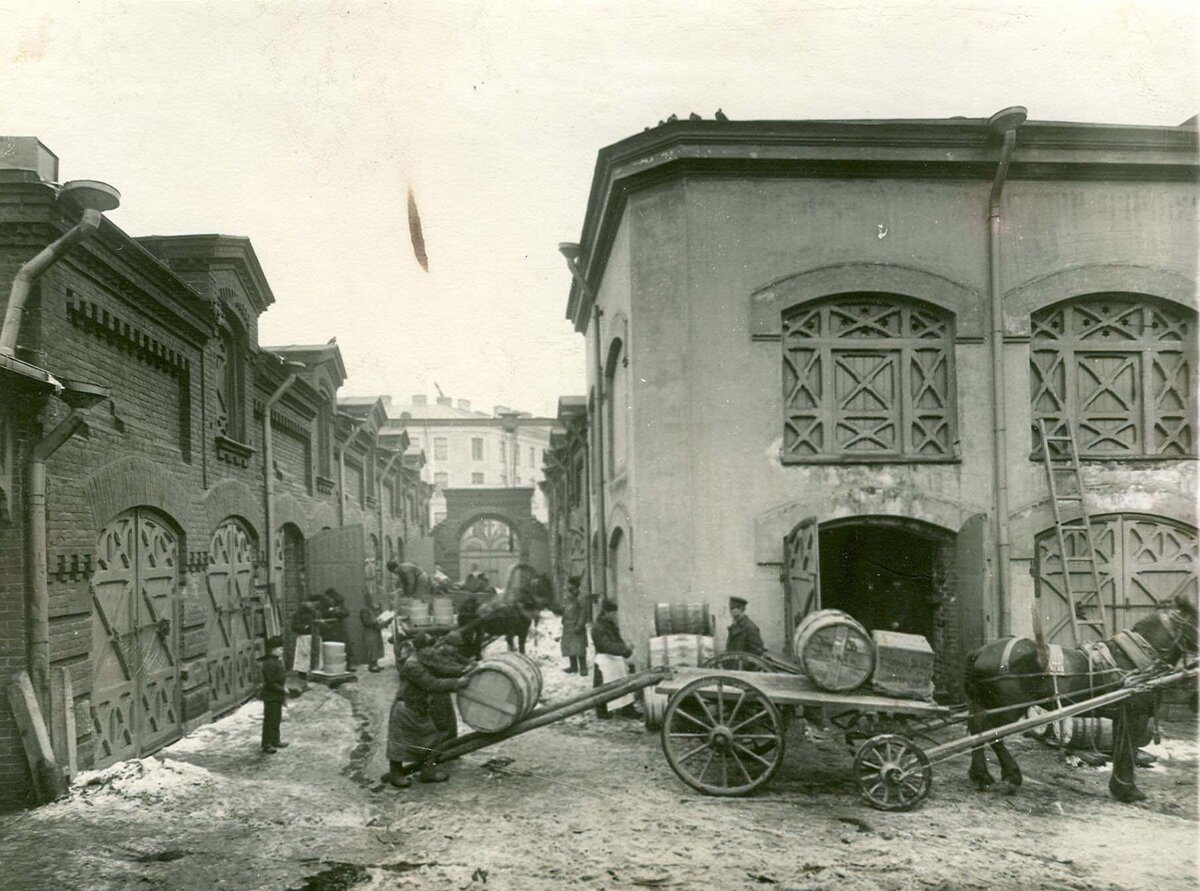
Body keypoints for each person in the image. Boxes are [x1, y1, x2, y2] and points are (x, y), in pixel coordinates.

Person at [385, 633, 470, 787]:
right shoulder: (412, 665)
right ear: (420, 649)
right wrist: (457, 683)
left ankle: (428, 772)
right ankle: (395, 775)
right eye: (428, 647)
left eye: (432, 646)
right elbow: (431, 684)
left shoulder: (424, 659)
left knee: (431, 739)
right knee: (399, 744)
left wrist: (464, 669)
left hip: (419, 707)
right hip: (406, 709)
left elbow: (442, 668)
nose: (432, 650)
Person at [591, 599, 637, 719]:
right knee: (604, 687)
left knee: (624, 682)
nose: (613, 616)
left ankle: (627, 708)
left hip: (615, 659)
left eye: (614, 613)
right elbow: (605, 646)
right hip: (604, 659)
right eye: (611, 613)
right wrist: (623, 649)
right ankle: (602, 710)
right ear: (605, 612)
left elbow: (618, 641)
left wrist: (627, 650)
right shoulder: (597, 627)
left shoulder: (611, 625)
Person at [259, 636, 289, 753]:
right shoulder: (269, 663)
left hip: (276, 696)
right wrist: (283, 690)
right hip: (270, 696)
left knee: (277, 719)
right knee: (270, 720)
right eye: (280, 649)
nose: (282, 651)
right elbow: (270, 683)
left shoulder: (276, 660)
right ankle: (267, 744)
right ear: (273, 650)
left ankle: (276, 740)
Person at [560, 576, 589, 675]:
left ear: (574, 585)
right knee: (569, 647)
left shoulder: (581, 598)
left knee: (580, 648)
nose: (567, 586)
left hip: (576, 626)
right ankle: (573, 667)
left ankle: (583, 668)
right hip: (568, 626)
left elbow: (583, 613)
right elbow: (565, 609)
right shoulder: (568, 597)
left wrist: (579, 626)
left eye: (569, 584)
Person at [289, 595, 325, 676]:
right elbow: (294, 626)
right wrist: (305, 627)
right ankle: (302, 675)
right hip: (304, 638)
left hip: (316, 637)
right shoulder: (299, 613)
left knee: (316, 656)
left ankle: (316, 673)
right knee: (303, 656)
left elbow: (322, 624)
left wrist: (321, 625)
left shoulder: (317, 613)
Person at [359, 591, 387, 672]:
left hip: (375, 630)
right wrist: (376, 621)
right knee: (372, 648)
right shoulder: (364, 609)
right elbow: (366, 622)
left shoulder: (371, 608)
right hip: (369, 631)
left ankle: (375, 664)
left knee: (376, 647)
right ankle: (372, 666)